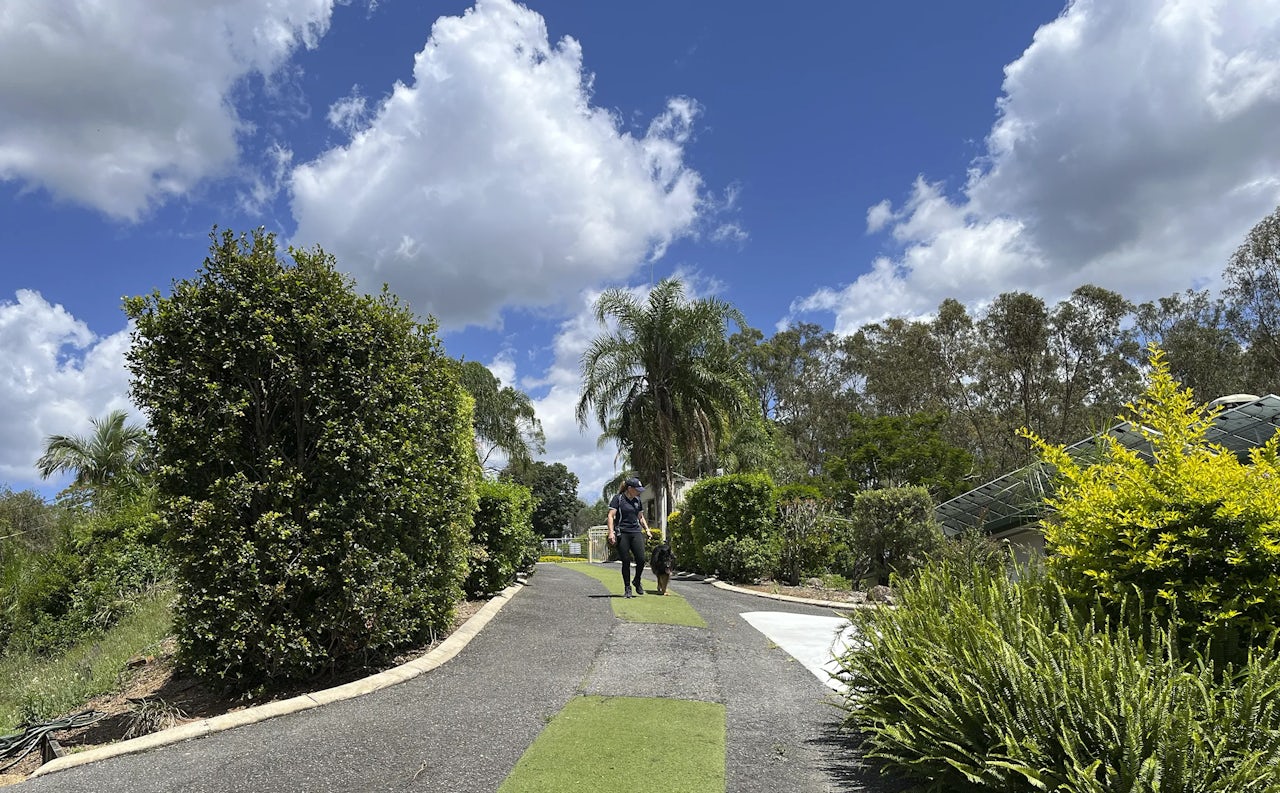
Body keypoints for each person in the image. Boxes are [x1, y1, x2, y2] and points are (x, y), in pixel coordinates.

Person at [607, 476, 650, 598]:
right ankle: (627, 588)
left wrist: (647, 529)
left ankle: (637, 580)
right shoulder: (618, 499)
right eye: (637, 489)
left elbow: (640, 517)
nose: (639, 491)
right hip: (622, 532)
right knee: (625, 561)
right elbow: (611, 516)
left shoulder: (637, 500)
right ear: (630, 488)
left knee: (641, 559)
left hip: (636, 531)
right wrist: (611, 532)